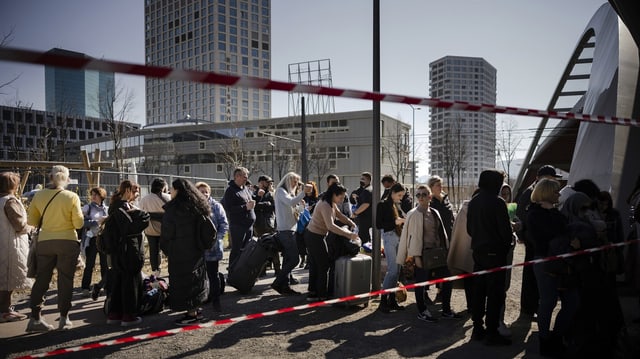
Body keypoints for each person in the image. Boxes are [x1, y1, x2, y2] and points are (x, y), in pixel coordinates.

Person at [26, 165, 84, 332]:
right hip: (67, 241)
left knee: (42, 279)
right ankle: (64, 318)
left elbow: (32, 221)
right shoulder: (71, 196)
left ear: (50, 177)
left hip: (45, 241)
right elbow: (78, 223)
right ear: (66, 179)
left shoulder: (39, 195)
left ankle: (35, 318)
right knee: (65, 279)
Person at [526, 178, 577, 356]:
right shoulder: (534, 214)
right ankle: (545, 340)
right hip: (545, 262)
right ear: (547, 192)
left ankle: (556, 336)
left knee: (571, 302)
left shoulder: (556, 213)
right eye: (556, 191)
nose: (559, 194)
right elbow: (544, 238)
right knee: (548, 302)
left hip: (562, 262)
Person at [397, 185, 460, 322]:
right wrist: (416, 257)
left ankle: (446, 310)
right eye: (418, 195)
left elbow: (440, 233)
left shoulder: (434, 212)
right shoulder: (413, 214)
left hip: (437, 253)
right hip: (422, 254)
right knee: (421, 284)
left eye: (424, 194)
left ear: (429, 197)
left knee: (447, 280)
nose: (420, 197)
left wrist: (445, 250)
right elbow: (411, 238)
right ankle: (422, 311)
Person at [466, 169, 512, 345]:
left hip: (478, 252)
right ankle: (492, 332)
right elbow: (505, 233)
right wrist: (505, 246)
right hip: (495, 254)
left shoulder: (474, 201)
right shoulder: (498, 202)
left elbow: (470, 229)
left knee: (479, 291)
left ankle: (478, 328)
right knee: (495, 294)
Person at [161, 179, 211, 325]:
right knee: (196, 281)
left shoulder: (173, 210)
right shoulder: (198, 206)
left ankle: (191, 314)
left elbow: (167, 234)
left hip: (179, 252)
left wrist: (167, 249)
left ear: (178, 190)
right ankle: (195, 309)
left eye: (172, 189)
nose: (170, 191)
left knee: (183, 283)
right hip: (196, 251)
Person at [516, 164, 561, 317]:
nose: (551, 181)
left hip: (539, 242)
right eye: (549, 178)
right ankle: (529, 307)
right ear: (539, 178)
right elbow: (522, 217)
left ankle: (534, 306)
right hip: (533, 242)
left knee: (537, 277)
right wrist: (526, 237)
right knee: (531, 275)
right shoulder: (529, 193)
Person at [304, 183, 358, 301]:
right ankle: (322, 295)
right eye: (341, 197)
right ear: (334, 194)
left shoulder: (331, 203)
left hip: (316, 236)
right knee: (323, 265)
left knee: (316, 265)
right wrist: (349, 234)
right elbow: (331, 226)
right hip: (314, 236)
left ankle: (313, 293)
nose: (342, 199)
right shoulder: (325, 205)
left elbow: (339, 215)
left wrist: (350, 222)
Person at [106, 180, 149, 327]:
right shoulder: (123, 208)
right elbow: (134, 225)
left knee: (119, 281)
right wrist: (142, 214)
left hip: (118, 251)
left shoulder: (114, 206)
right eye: (135, 191)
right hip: (129, 250)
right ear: (128, 190)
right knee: (131, 282)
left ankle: (115, 313)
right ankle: (128, 315)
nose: (136, 195)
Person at [0, 172, 33, 323]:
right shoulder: (10, 201)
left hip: (3, 241)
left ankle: (5, 309)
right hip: (10, 244)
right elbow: (19, 225)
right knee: (8, 278)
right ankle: (5, 311)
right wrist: (32, 228)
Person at [272, 172, 311, 295]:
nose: (296, 184)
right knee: (294, 259)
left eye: (297, 181)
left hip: (290, 229)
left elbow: (295, 212)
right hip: (286, 230)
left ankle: (284, 286)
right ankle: (278, 282)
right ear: (288, 180)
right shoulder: (281, 191)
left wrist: (301, 207)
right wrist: (303, 193)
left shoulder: (288, 193)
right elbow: (290, 202)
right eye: (294, 181)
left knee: (288, 259)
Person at [195, 181, 228, 313]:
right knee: (199, 276)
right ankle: (202, 298)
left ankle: (216, 300)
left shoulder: (216, 206)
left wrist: (217, 239)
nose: (204, 194)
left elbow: (224, 224)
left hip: (212, 248)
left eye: (206, 191)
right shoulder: (193, 207)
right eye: (201, 192)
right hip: (197, 248)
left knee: (213, 275)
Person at [375, 183, 406, 313]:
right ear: (393, 192)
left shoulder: (395, 205)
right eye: (399, 195)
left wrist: (400, 221)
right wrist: (395, 222)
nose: (401, 198)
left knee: (397, 270)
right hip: (389, 237)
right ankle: (383, 300)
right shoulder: (382, 204)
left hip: (396, 237)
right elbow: (378, 224)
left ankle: (391, 300)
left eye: (402, 196)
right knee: (393, 270)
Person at [446, 190, 478, 316]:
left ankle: (474, 306)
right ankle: (472, 306)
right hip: (467, 251)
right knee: (470, 281)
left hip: (473, 252)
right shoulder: (465, 210)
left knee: (474, 281)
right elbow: (459, 231)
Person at [426, 175, 455, 304]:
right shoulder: (429, 202)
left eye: (441, 184)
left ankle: (440, 292)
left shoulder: (446, 199)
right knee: (432, 266)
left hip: (448, 237)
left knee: (444, 266)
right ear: (431, 187)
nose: (441, 187)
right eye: (438, 185)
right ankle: (424, 293)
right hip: (435, 238)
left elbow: (451, 217)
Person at [222, 167, 256, 266]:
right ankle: (233, 271)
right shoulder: (230, 191)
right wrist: (245, 207)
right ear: (237, 176)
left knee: (247, 250)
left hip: (248, 226)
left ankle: (243, 271)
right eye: (244, 176)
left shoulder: (245, 189)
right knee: (237, 250)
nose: (246, 179)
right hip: (238, 226)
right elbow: (229, 209)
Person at [80, 187, 109, 300]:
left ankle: (105, 286)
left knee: (105, 265)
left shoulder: (106, 208)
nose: (93, 197)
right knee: (90, 264)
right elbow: (81, 222)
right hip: (92, 239)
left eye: (96, 195)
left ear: (101, 196)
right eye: (92, 194)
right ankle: (85, 288)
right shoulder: (87, 207)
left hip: (103, 239)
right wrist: (96, 222)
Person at [138, 178, 170, 277]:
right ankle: (172, 267)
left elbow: (141, 214)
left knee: (154, 250)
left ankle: (156, 270)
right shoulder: (168, 198)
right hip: (165, 230)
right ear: (163, 187)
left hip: (150, 230)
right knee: (169, 250)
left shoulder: (144, 199)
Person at [298, 180, 319, 268]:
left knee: (309, 242)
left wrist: (313, 207)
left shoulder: (316, 200)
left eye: (311, 188)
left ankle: (308, 261)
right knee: (300, 242)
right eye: (307, 188)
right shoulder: (302, 198)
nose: (309, 190)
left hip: (312, 222)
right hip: (302, 222)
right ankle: (302, 258)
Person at [350, 172, 373, 244]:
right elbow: (353, 201)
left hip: (365, 219)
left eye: (363, 179)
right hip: (362, 219)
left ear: (369, 180)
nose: (361, 181)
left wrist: (355, 213)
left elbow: (366, 204)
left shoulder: (367, 190)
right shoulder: (360, 190)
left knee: (363, 238)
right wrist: (354, 197)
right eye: (360, 179)